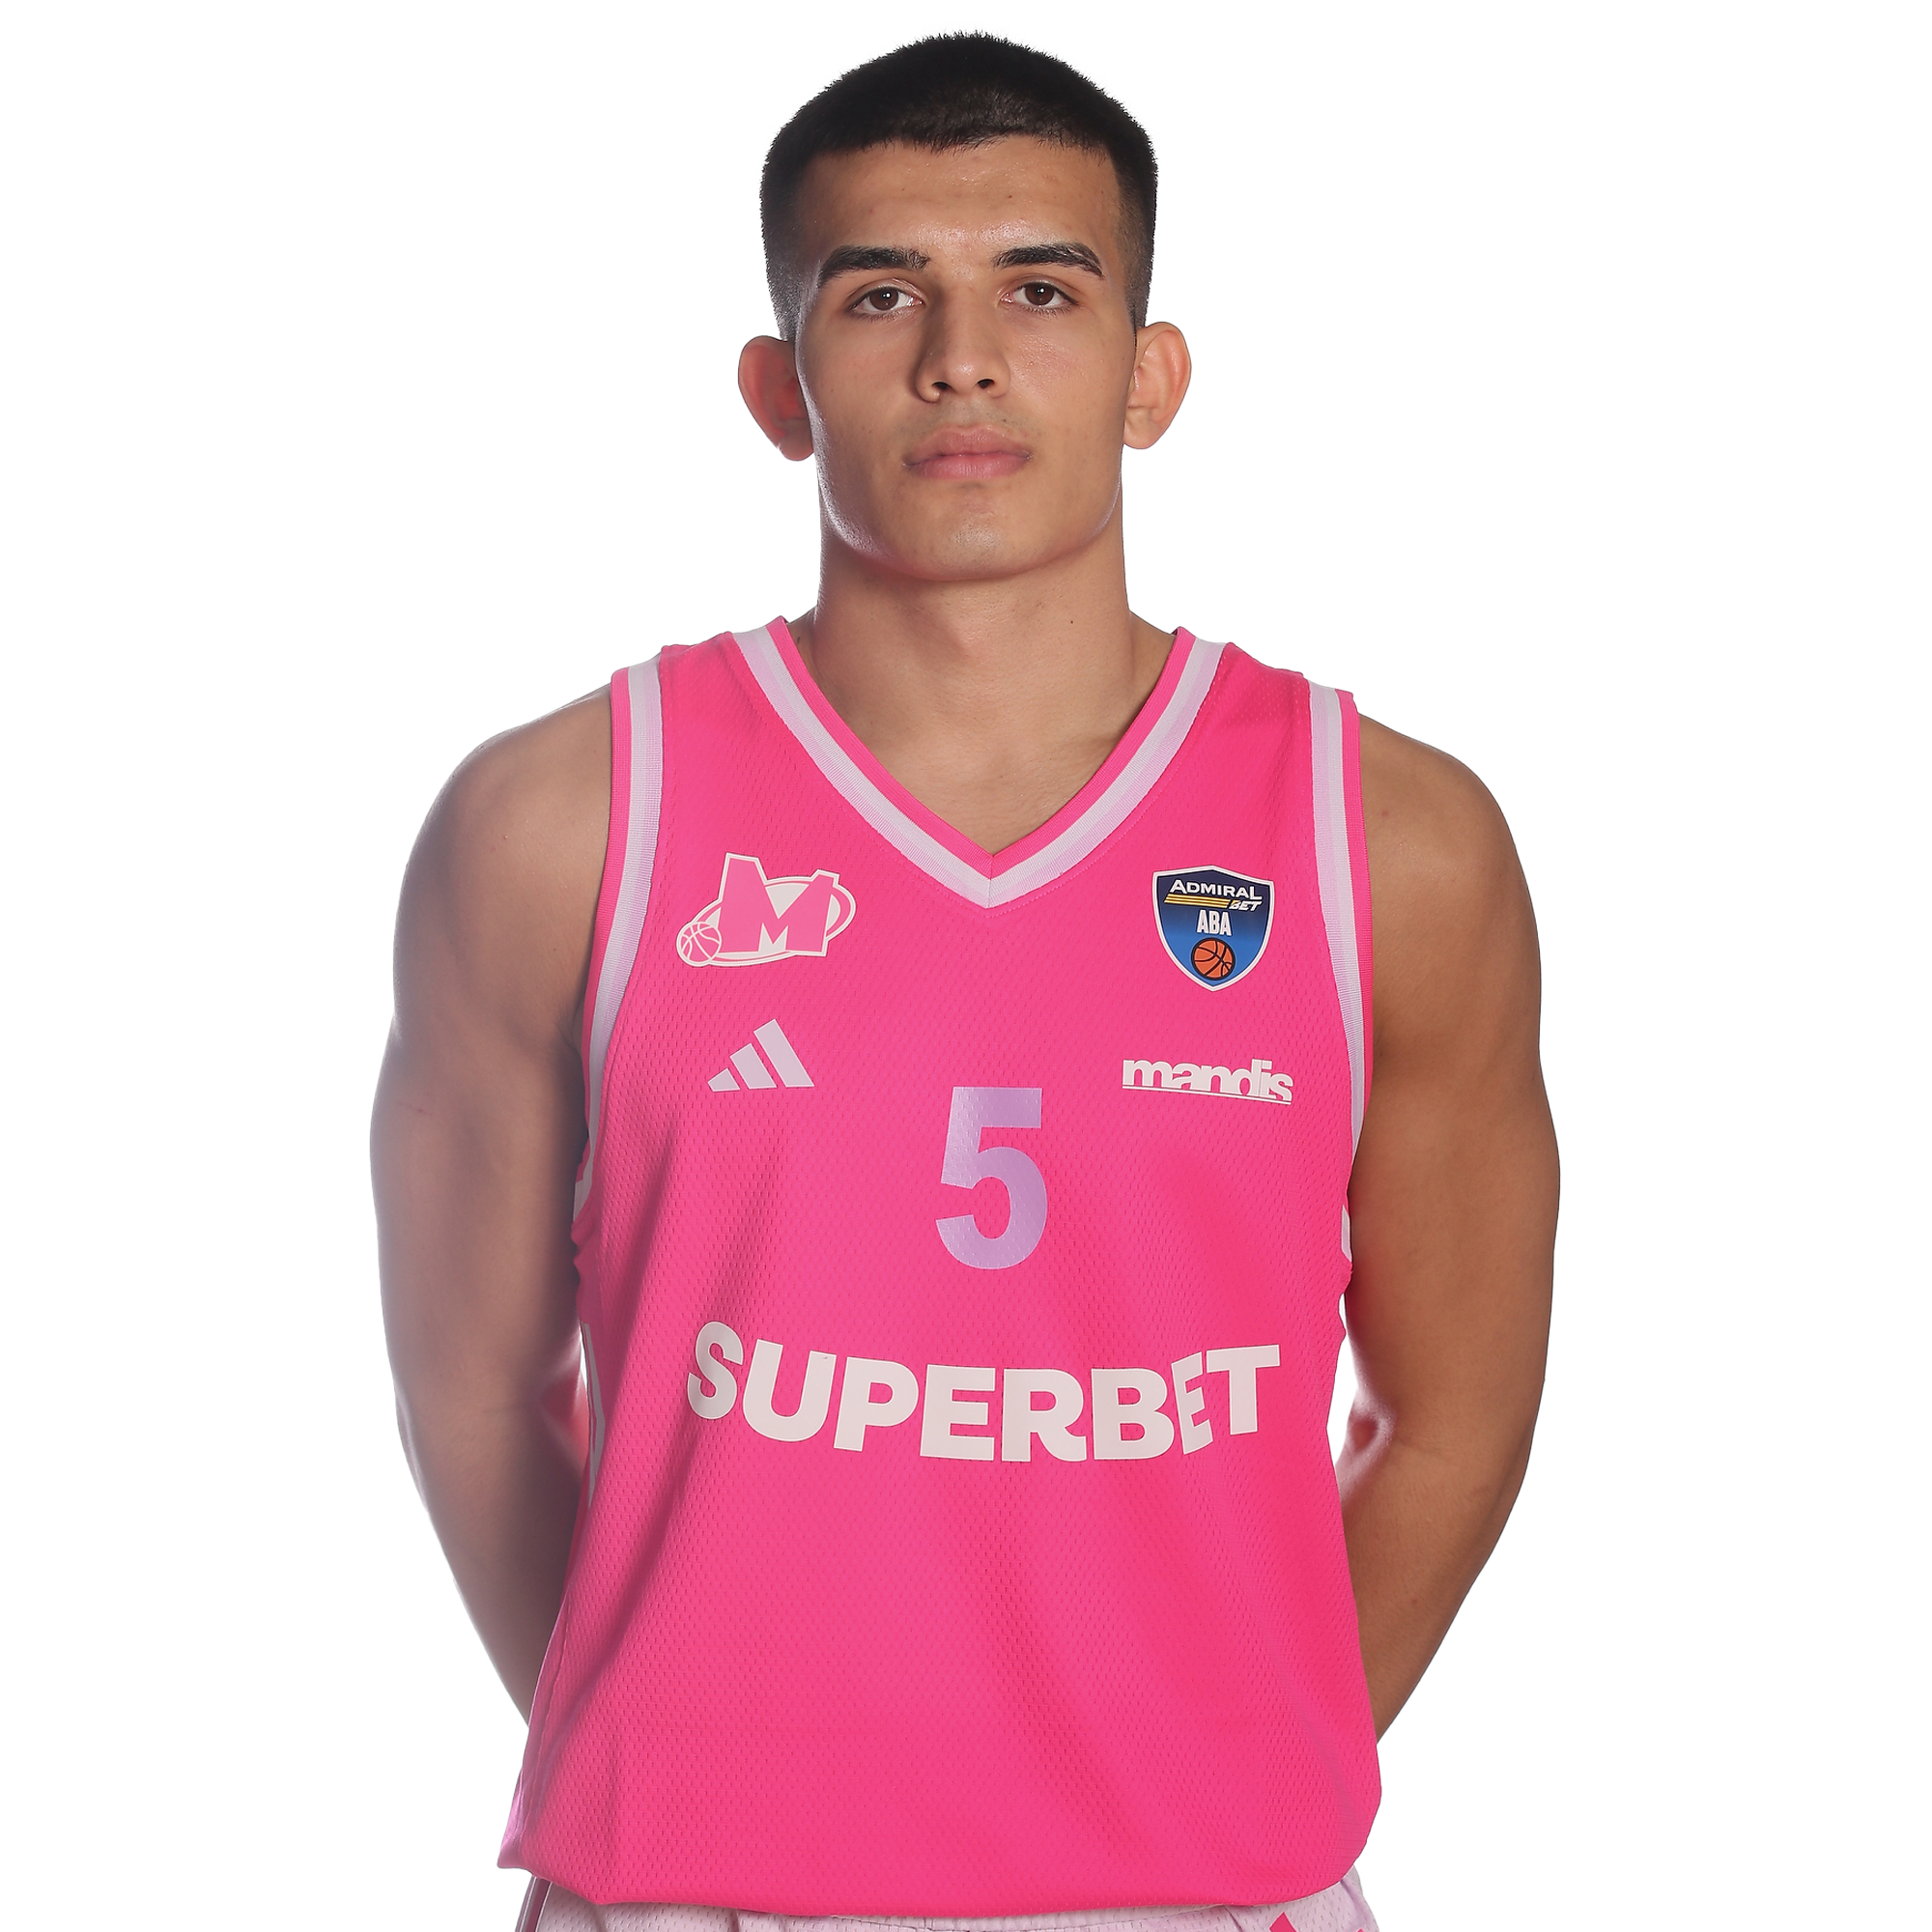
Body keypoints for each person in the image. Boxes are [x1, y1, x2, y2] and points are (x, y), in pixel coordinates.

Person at [373, 31, 1557, 1932]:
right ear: (779, 389)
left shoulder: (1389, 844)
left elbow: (1453, 1417)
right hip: (691, 1891)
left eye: (1042, 288)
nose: (961, 358)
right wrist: (682, 1756)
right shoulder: (558, 824)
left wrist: (1231, 1764)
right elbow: (470, 1391)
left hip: (1203, 1892)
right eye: (878, 295)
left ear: (1151, 374)